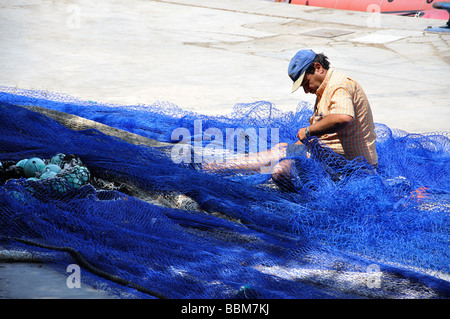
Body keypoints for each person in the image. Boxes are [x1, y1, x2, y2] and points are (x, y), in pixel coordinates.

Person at [202, 49, 378, 190]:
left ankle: (315, 196)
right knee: (281, 149)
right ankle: (215, 168)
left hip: (348, 168)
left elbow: (343, 118)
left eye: (306, 82)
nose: (306, 90)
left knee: (281, 171)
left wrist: (309, 131)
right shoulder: (325, 89)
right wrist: (301, 143)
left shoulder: (339, 85)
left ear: (318, 67)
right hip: (329, 157)